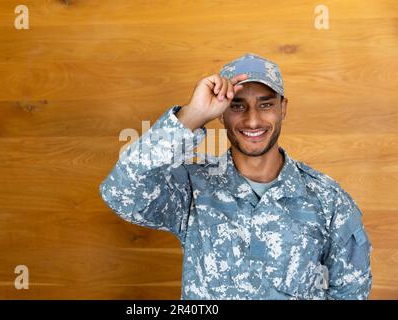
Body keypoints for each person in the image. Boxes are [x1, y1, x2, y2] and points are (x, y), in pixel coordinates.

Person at [99, 53, 372, 300]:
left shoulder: (326, 199)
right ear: (221, 114)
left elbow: (351, 293)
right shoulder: (193, 188)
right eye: (238, 106)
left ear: (283, 108)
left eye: (265, 105)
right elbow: (120, 193)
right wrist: (192, 115)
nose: (253, 121)